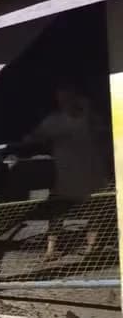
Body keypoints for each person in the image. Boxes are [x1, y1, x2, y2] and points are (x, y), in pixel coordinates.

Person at [12, 83, 109, 260]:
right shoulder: (54, 121)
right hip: (64, 176)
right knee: (56, 213)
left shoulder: (90, 118)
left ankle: (91, 248)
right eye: (61, 97)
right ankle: (51, 249)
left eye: (67, 96)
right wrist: (17, 150)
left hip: (90, 174)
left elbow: (103, 136)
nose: (64, 100)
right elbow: (34, 137)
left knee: (93, 211)